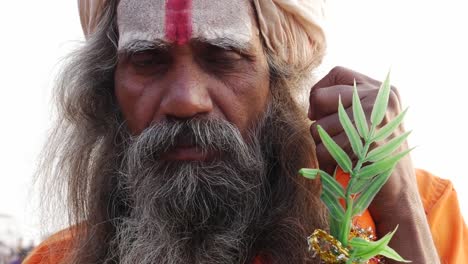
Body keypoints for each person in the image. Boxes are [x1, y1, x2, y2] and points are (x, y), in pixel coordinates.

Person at [25, 0, 467, 263]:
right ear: (107, 88)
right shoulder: (56, 260)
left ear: (279, 80)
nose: (185, 100)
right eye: (148, 61)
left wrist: (402, 209)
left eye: (222, 56)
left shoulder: (413, 213)